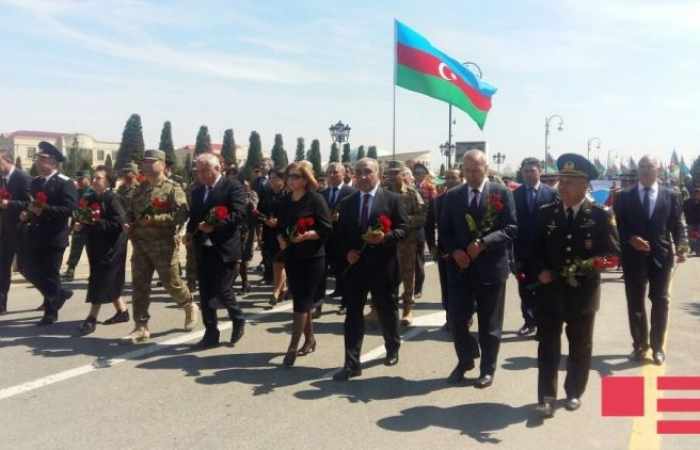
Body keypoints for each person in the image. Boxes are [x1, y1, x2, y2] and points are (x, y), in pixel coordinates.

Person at [533, 154, 620, 417]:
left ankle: (573, 392)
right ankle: (547, 396)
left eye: (570, 181)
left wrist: (587, 265)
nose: (563, 186)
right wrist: (540, 271)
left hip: (583, 294)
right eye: (562, 180)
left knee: (580, 346)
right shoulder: (546, 214)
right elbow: (532, 250)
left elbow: (613, 256)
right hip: (551, 292)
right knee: (548, 344)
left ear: (585, 185)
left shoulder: (600, 215)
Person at [439, 149, 517, 388]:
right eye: (468, 170)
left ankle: (487, 369)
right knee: (457, 319)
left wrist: (484, 243)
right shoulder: (452, 196)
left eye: (477, 169)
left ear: (486, 169)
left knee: (489, 324)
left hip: (490, 269)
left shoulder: (501, 193)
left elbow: (511, 228)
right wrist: (455, 251)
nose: (472, 174)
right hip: (460, 269)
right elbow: (444, 232)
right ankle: (466, 359)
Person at [333, 158, 408, 381]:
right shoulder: (347, 202)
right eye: (359, 172)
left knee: (387, 309)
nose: (363, 176)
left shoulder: (392, 200)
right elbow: (341, 235)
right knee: (353, 314)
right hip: (356, 268)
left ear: (378, 174)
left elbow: (404, 229)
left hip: (383, 267)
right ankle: (351, 363)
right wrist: (347, 252)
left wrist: (385, 238)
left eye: (368, 172)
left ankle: (392, 346)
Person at [613, 155, 688, 365]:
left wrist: (682, 245)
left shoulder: (671, 195)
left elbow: (678, 224)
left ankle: (657, 347)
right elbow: (616, 226)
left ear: (658, 170)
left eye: (650, 166)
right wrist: (630, 238)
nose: (646, 170)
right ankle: (639, 345)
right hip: (633, 256)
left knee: (661, 301)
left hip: (661, 256)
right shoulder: (624, 197)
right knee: (635, 302)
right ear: (638, 170)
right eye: (642, 166)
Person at [123, 149, 198, 344]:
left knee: (171, 284)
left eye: (151, 161)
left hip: (163, 245)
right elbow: (130, 212)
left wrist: (156, 219)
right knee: (139, 287)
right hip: (140, 245)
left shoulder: (173, 188)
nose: (146, 165)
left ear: (162, 165)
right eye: (144, 162)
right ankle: (141, 326)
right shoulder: (139, 189)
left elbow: (182, 214)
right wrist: (128, 222)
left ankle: (189, 305)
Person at [187, 153, 247, 349]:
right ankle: (211, 333)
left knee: (223, 289)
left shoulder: (232, 186)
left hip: (225, 247)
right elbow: (195, 217)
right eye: (199, 171)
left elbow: (239, 214)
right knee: (205, 293)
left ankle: (237, 318)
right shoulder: (197, 191)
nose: (202, 175)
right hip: (203, 248)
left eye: (205, 170)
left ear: (217, 168)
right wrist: (189, 234)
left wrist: (216, 226)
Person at [276, 162, 332, 366]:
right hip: (292, 255)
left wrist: (310, 235)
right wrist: (281, 238)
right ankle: (310, 339)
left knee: (301, 301)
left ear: (306, 179)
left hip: (312, 257)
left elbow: (326, 229)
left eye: (296, 176)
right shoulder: (285, 201)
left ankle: (292, 346)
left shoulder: (316, 200)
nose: (291, 180)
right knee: (301, 300)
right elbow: (281, 226)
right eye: (289, 176)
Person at [16, 141, 78, 325]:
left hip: (55, 235)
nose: (37, 162)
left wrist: (45, 210)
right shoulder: (35, 183)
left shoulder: (65, 183)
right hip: (36, 234)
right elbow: (33, 204)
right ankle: (60, 293)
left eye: (42, 159)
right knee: (25, 268)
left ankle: (51, 312)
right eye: (37, 159)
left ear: (53, 162)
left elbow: (70, 209)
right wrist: (27, 213)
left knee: (51, 273)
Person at [76, 166, 129, 335]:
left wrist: (95, 222)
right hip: (95, 245)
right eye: (93, 177)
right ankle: (122, 311)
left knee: (99, 281)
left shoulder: (113, 198)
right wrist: (81, 224)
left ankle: (91, 318)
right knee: (107, 280)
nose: (94, 180)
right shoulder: (91, 197)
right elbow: (85, 217)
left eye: (98, 178)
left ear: (108, 181)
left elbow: (119, 225)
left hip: (112, 248)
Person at [512, 157, 558, 336]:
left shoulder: (551, 194)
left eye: (532, 170)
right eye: (525, 171)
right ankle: (529, 321)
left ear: (539, 171)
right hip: (522, 252)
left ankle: (542, 323)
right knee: (524, 289)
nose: (528, 174)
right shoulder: (515, 194)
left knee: (543, 289)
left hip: (543, 252)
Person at [386, 162, 425, 326]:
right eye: (390, 173)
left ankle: (407, 309)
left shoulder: (411, 193)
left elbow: (422, 216)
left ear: (402, 175)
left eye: (396, 173)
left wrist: (403, 222)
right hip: (386, 240)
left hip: (406, 241)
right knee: (384, 275)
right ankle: (380, 309)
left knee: (408, 275)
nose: (393, 176)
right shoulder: (383, 192)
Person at [425, 168, 462, 324]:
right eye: (447, 178)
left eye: (454, 177)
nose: (450, 181)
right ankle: (449, 317)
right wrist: (432, 246)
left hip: (466, 251)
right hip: (444, 251)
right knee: (446, 285)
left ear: (461, 179)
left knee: (463, 286)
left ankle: (464, 317)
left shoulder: (467, 198)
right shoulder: (438, 201)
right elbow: (428, 225)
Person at [0, 149, 32, 315]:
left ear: (7, 161)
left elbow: (30, 203)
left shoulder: (22, 177)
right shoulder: (1, 179)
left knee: (26, 268)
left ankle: (54, 295)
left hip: (20, 230)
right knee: (2, 267)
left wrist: (10, 204)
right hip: (4, 231)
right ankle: (2, 304)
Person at [320, 163, 356, 305]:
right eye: (329, 172)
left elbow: (355, 215)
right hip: (327, 238)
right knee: (330, 268)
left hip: (344, 236)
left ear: (343, 174)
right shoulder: (322, 194)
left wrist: (341, 217)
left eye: (335, 172)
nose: (332, 175)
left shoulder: (351, 192)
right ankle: (337, 291)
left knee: (344, 269)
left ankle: (346, 301)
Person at [259, 169, 288, 304]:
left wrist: (279, 221)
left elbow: (292, 213)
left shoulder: (288, 194)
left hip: (283, 233)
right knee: (276, 263)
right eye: (270, 178)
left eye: (275, 178)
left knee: (279, 263)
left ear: (282, 180)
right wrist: (265, 220)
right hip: (269, 232)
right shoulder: (267, 194)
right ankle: (282, 288)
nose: (271, 180)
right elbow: (259, 211)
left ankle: (275, 292)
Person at [62, 171, 92, 281]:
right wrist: (71, 226)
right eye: (77, 179)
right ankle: (70, 270)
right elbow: (74, 208)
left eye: (81, 179)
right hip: (77, 225)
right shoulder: (76, 192)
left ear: (88, 178)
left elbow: (94, 210)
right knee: (75, 248)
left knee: (92, 250)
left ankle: (94, 272)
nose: (79, 181)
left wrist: (83, 222)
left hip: (90, 226)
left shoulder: (92, 192)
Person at [412, 162, 435, 299]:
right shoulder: (409, 186)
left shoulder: (430, 188)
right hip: (410, 227)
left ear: (425, 174)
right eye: (416, 172)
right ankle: (409, 287)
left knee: (418, 259)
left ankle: (418, 288)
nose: (418, 175)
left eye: (420, 172)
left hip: (424, 226)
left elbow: (432, 209)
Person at [239, 180, 259, 294]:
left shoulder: (252, 194)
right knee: (239, 258)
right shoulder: (237, 195)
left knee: (245, 257)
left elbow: (253, 206)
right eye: (242, 185)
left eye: (246, 185)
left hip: (248, 230)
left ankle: (245, 283)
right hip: (238, 229)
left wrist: (244, 198)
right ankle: (244, 283)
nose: (243, 187)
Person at [683, 187, 700, 255]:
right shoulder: (688, 201)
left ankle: (698, 250)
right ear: (694, 194)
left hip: (699, 222)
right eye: (697, 194)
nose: (698, 195)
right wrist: (687, 218)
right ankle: (692, 249)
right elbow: (685, 210)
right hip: (691, 221)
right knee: (691, 236)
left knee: (698, 236)